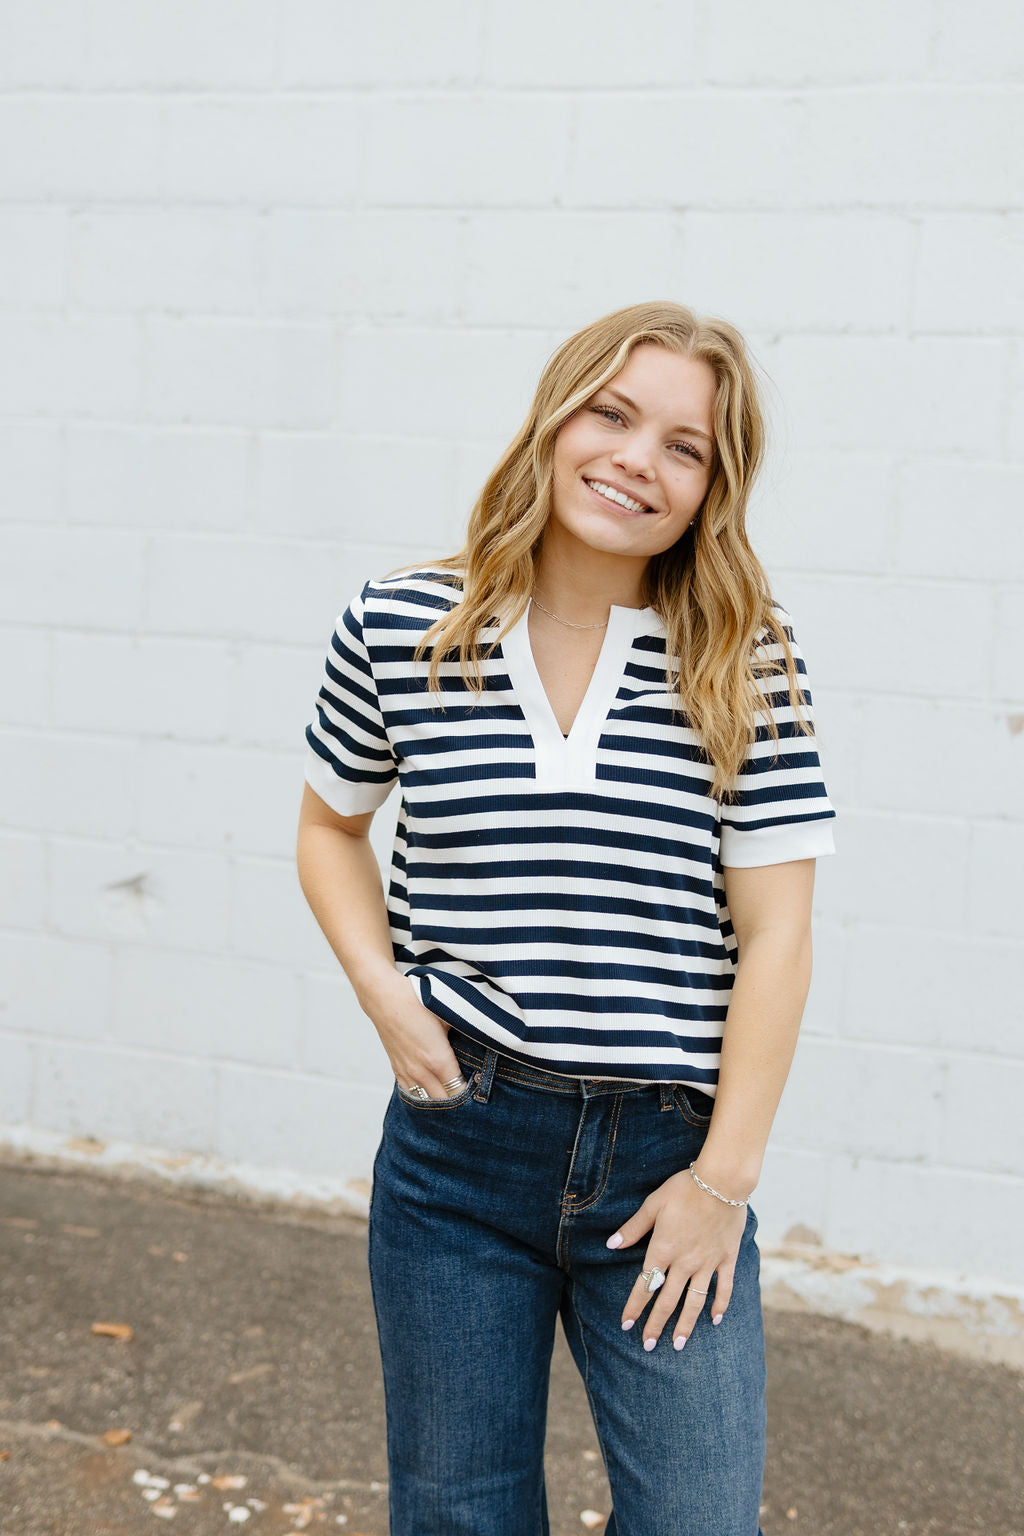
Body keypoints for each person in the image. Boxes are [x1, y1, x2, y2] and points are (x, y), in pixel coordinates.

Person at [296, 300, 837, 1536]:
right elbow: (329, 829)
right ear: (553, 422)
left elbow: (780, 940)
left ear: (711, 487)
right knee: (460, 1513)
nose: (637, 458)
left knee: (698, 1518)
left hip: (665, 1166)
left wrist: (723, 1183)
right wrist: (386, 995)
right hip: (458, 1154)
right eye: (611, 413)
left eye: (683, 445)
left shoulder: (743, 655)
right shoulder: (402, 626)